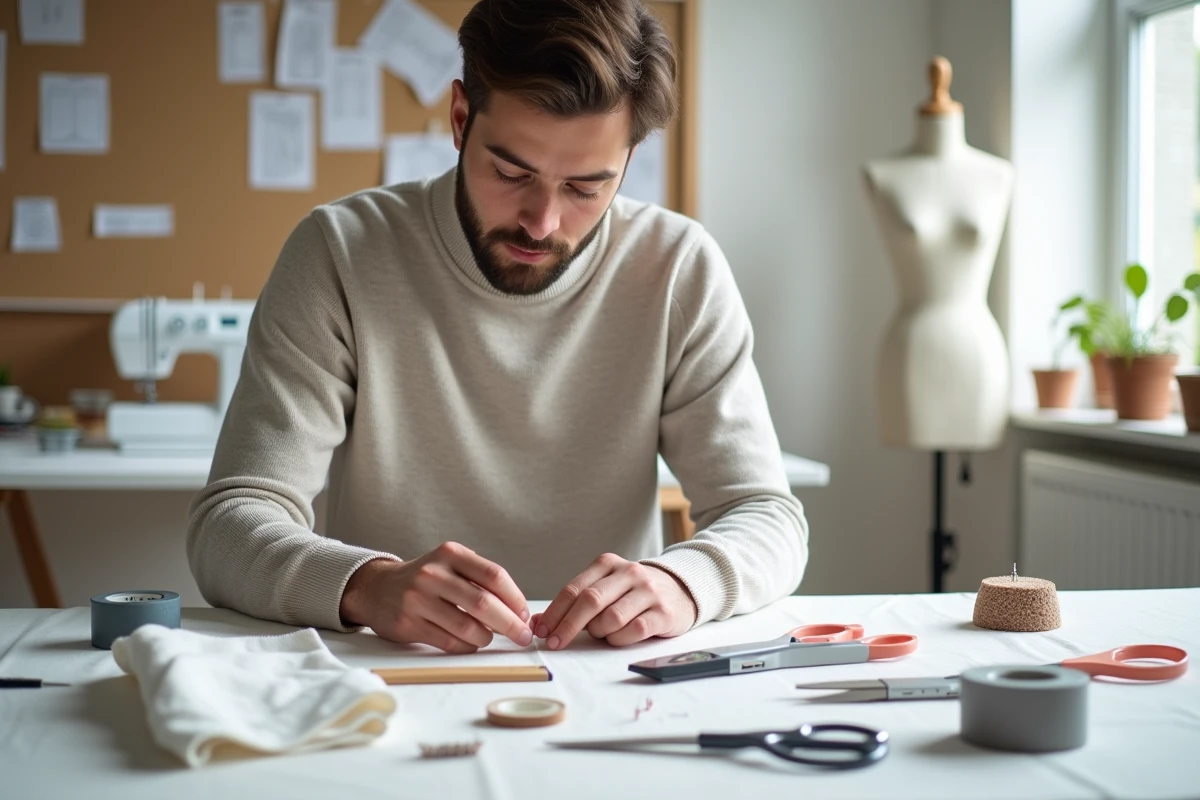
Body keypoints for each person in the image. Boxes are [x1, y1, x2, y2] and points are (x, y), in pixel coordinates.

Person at [187, 0, 808, 654]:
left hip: (607, 682)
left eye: (585, 188)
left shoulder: (678, 268)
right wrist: (367, 585)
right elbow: (228, 526)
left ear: (628, 159)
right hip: (392, 673)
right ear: (460, 118)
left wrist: (685, 583)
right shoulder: (340, 252)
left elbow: (767, 517)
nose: (542, 222)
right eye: (512, 173)